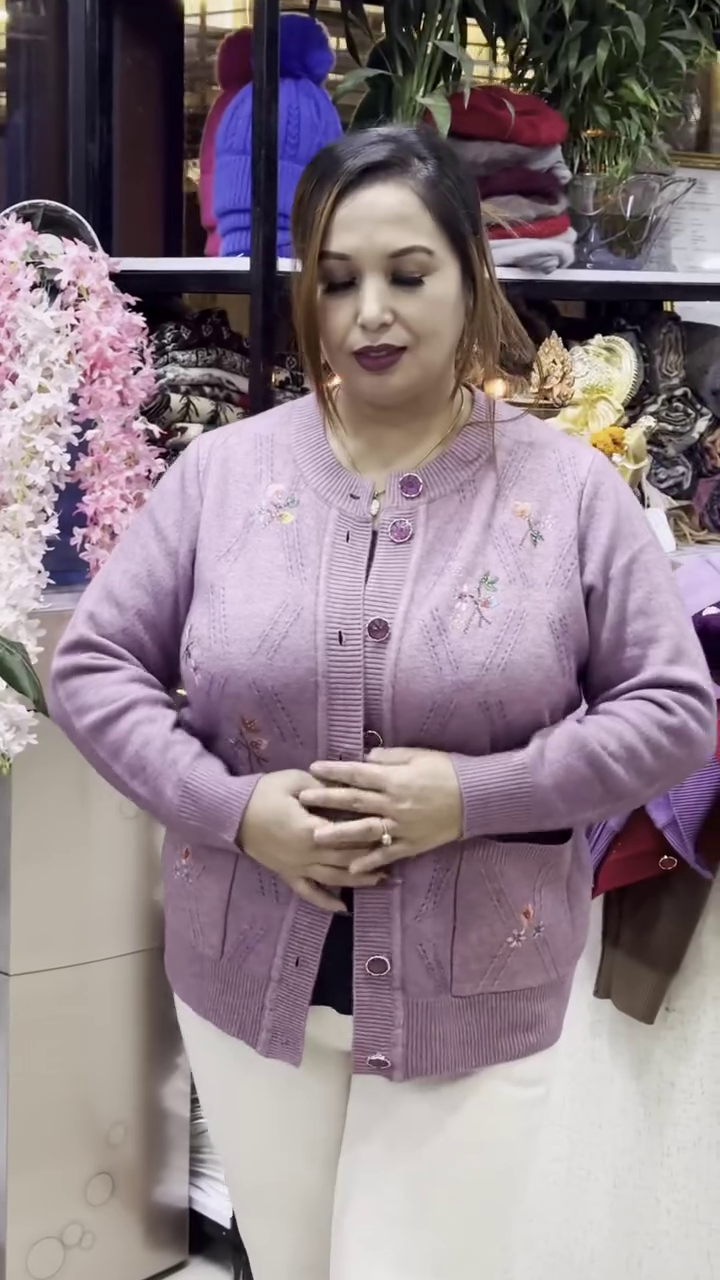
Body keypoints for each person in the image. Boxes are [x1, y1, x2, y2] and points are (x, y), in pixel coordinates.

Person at [48, 127, 716, 1280]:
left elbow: (671, 708)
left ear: (470, 277)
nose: (371, 312)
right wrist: (236, 810)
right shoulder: (223, 477)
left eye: (408, 274)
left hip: (476, 995)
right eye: (337, 278)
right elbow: (94, 669)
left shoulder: (567, 492)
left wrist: (474, 794)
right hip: (248, 983)